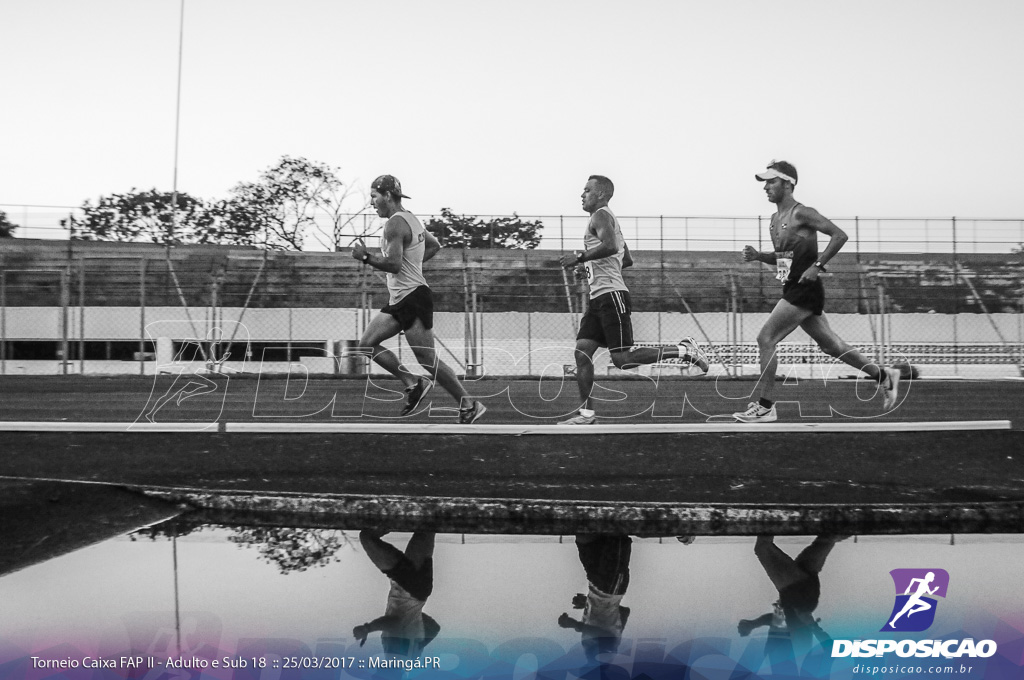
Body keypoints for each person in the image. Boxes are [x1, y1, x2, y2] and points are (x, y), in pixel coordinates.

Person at [735, 160, 900, 423]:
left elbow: (839, 235)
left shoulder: (803, 213)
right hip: (792, 287)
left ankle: (765, 406)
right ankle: (883, 375)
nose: (766, 187)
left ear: (788, 184)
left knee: (765, 339)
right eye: (765, 182)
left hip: (805, 289)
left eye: (771, 181)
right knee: (832, 346)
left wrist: (818, 265)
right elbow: (783, 259)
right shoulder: (774, 220)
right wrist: (759, 256)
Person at [558, 175, 709, 425]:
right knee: (582, 353)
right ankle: (586, 414)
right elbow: (625, 258)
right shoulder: (607, 219)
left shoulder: (601, 216)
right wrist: (589, 268)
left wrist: (580, 258)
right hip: (599, 298)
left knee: (623, 360)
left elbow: (609, 246)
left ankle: (684, 350)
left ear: (602, 195)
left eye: (587, 190)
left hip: (611, 296)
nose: (581, 195)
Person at [351, 175, 486, 423]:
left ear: (387, 196)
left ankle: (469, 404)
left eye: (374, 197)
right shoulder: (411, 219)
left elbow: (393, 264)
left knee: (427, 359)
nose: (372, 203)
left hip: (413, 297)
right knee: (366, 345)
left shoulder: (394, 224)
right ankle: (414, 384)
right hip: (400, 299)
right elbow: (434, 245)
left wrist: (365, 257)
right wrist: (412, 264)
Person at [353, 529, 441, 657]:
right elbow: (394, 623)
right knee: (367, 538)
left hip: (420, 591)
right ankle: (390, 516)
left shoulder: (411, 656)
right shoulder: (394, 657)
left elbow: (434, 628)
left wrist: (413, 617)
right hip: (407, 585)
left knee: (426, 527)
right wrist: (368, 628)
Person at [558, 534, 632, 662]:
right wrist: (576, 624)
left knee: (584, 538)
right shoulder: (607, 654)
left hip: (594, 584)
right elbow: (606, 635)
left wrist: (588, 602)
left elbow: (624, 611)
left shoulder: (588, 649)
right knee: (614, 534)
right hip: (611, 587)